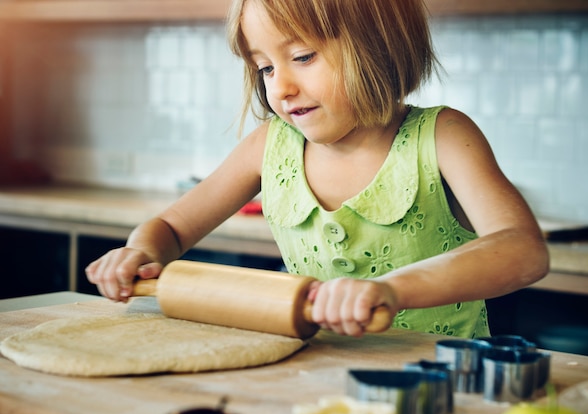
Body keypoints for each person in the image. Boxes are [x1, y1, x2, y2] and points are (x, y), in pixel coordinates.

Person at [86, 0, 549, 338]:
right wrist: (141, 252)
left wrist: (393, 289)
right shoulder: (270, 145)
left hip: (437, 381)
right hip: (311, 373)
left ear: (379, 46)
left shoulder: (443, 135)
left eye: (302, 57)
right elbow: (170, 226)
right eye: (264, 68)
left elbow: (522, 250)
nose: (281, 88)